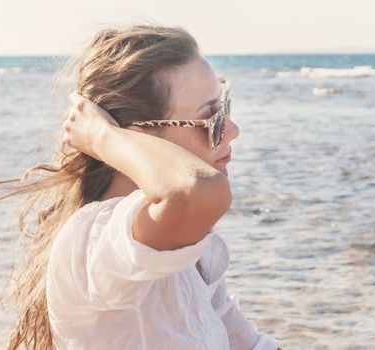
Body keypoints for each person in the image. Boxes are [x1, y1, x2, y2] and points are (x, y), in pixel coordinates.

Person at [46, 25, 282, 350]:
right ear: (138, 137)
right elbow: (200, 192)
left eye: (224, 108)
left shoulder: (176, 250)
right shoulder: (96, 244)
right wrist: (102, 136)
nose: (233, 130)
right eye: (210, 118)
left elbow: (249, 345)